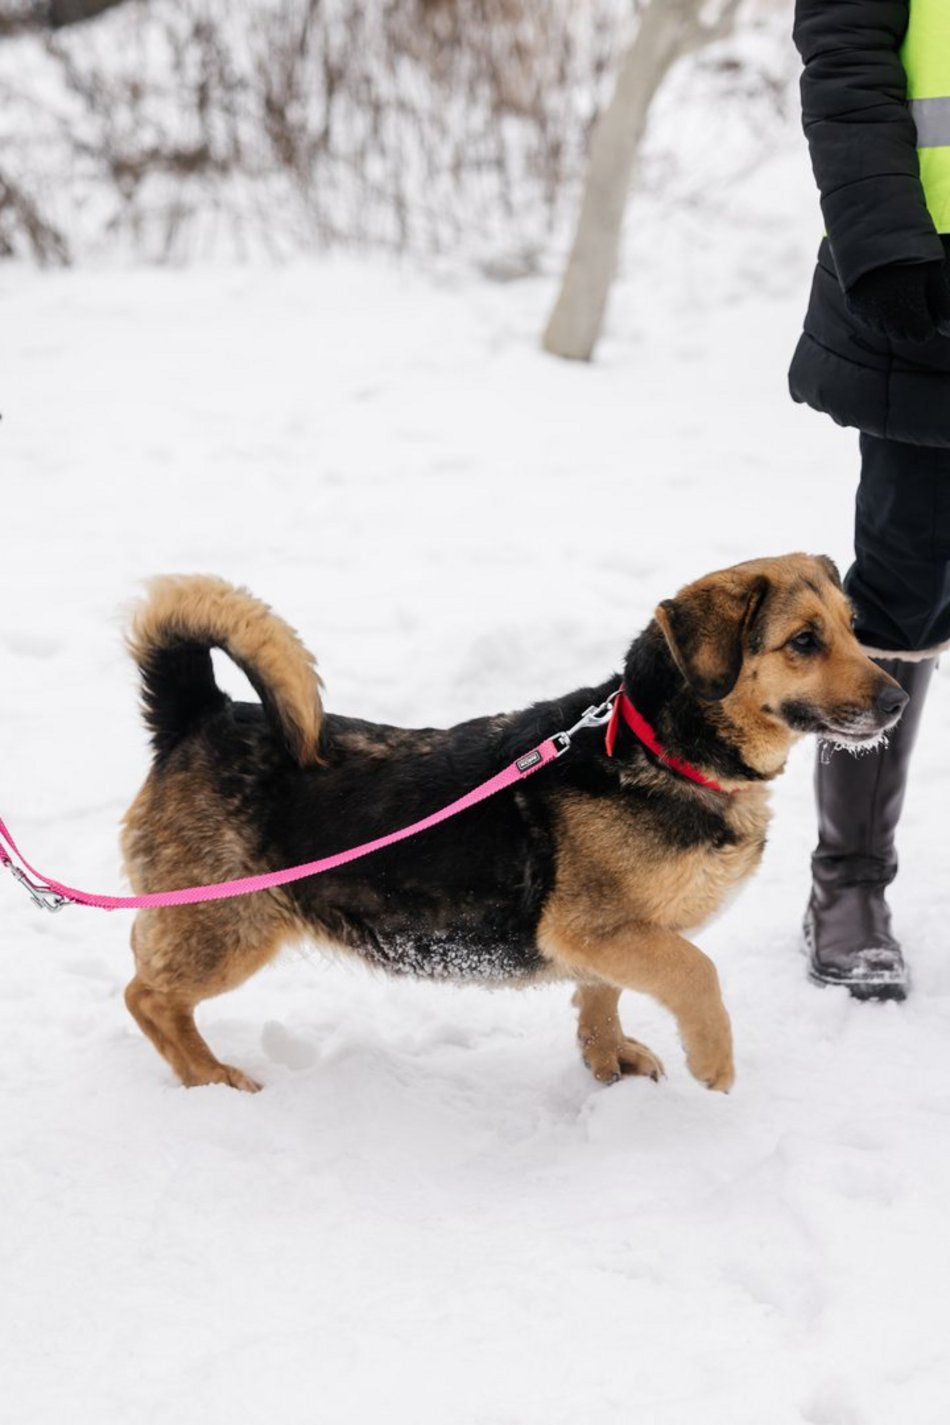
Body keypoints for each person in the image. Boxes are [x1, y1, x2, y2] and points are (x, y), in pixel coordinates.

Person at [789, 0, 950, 999]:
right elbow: (846, 55)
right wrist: (884, 238)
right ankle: (846, 884)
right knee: (900, 587)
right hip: (931, 285)